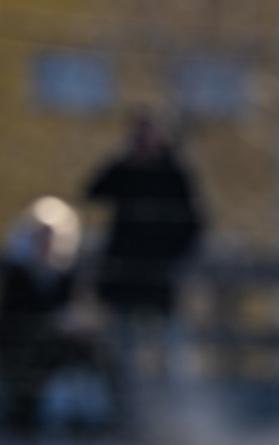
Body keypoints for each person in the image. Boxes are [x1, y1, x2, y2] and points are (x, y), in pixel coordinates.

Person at [82, 113, 204, 425]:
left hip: (159, 282)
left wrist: (173, 259)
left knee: (169, 353)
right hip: (124, 280)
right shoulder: (125, 170)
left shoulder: (174, 174)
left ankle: (175, 416)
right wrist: (123, 162)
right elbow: (92, 190)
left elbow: (195, 224)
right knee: (123, 354)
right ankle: (126, 414)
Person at [0, 197, 97, 434]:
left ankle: (84, 420)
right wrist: (49, 322)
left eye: (52, 236)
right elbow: (7, 320)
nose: (46, 242)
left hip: (58, 350)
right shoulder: (16, 275)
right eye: (41, 235)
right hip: (21, 348)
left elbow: (80, 310)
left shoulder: (66, 276)